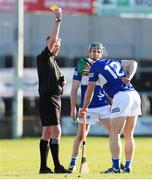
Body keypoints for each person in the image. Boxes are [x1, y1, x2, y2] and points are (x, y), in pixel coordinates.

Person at [80, 58, 141, 173]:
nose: (86, 72)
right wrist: (130, 77)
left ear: (88, 65)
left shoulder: (94, 68)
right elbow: (133, 63)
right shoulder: (111, 60)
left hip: (122, 96)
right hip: (134, 95)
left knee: (114, 133)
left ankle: (116, 168)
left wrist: (84, 107)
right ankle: (128, 166)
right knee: (128, 134)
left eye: (85, 70)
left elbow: (89, 91)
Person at [36, 8, 70, 174]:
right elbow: (53, 39)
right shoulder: (44, 57)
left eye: (59, 44)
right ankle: (57, 166)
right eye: (55, 43)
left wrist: (61, 82)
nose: (57, 45)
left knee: (48, 132)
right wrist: (58, 20)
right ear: (48, 44)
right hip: (48, 98)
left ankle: (44, 167)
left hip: (52, 98)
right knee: (56, 131)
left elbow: (55, 81)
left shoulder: (53, 62)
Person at [68, 42, 111, 173]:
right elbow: (74, 88)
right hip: (87, 108)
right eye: (93, 51)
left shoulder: (105, 66)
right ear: (88, 52)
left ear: (101, 53)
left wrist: (112, 103)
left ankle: (117, 163)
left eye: (98, 51)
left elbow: (109, 88)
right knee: (80, 136)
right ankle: (73, 163)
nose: (95, 54)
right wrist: (73, 108)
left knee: (114, 133)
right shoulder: (81, 66)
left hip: (103, 106)